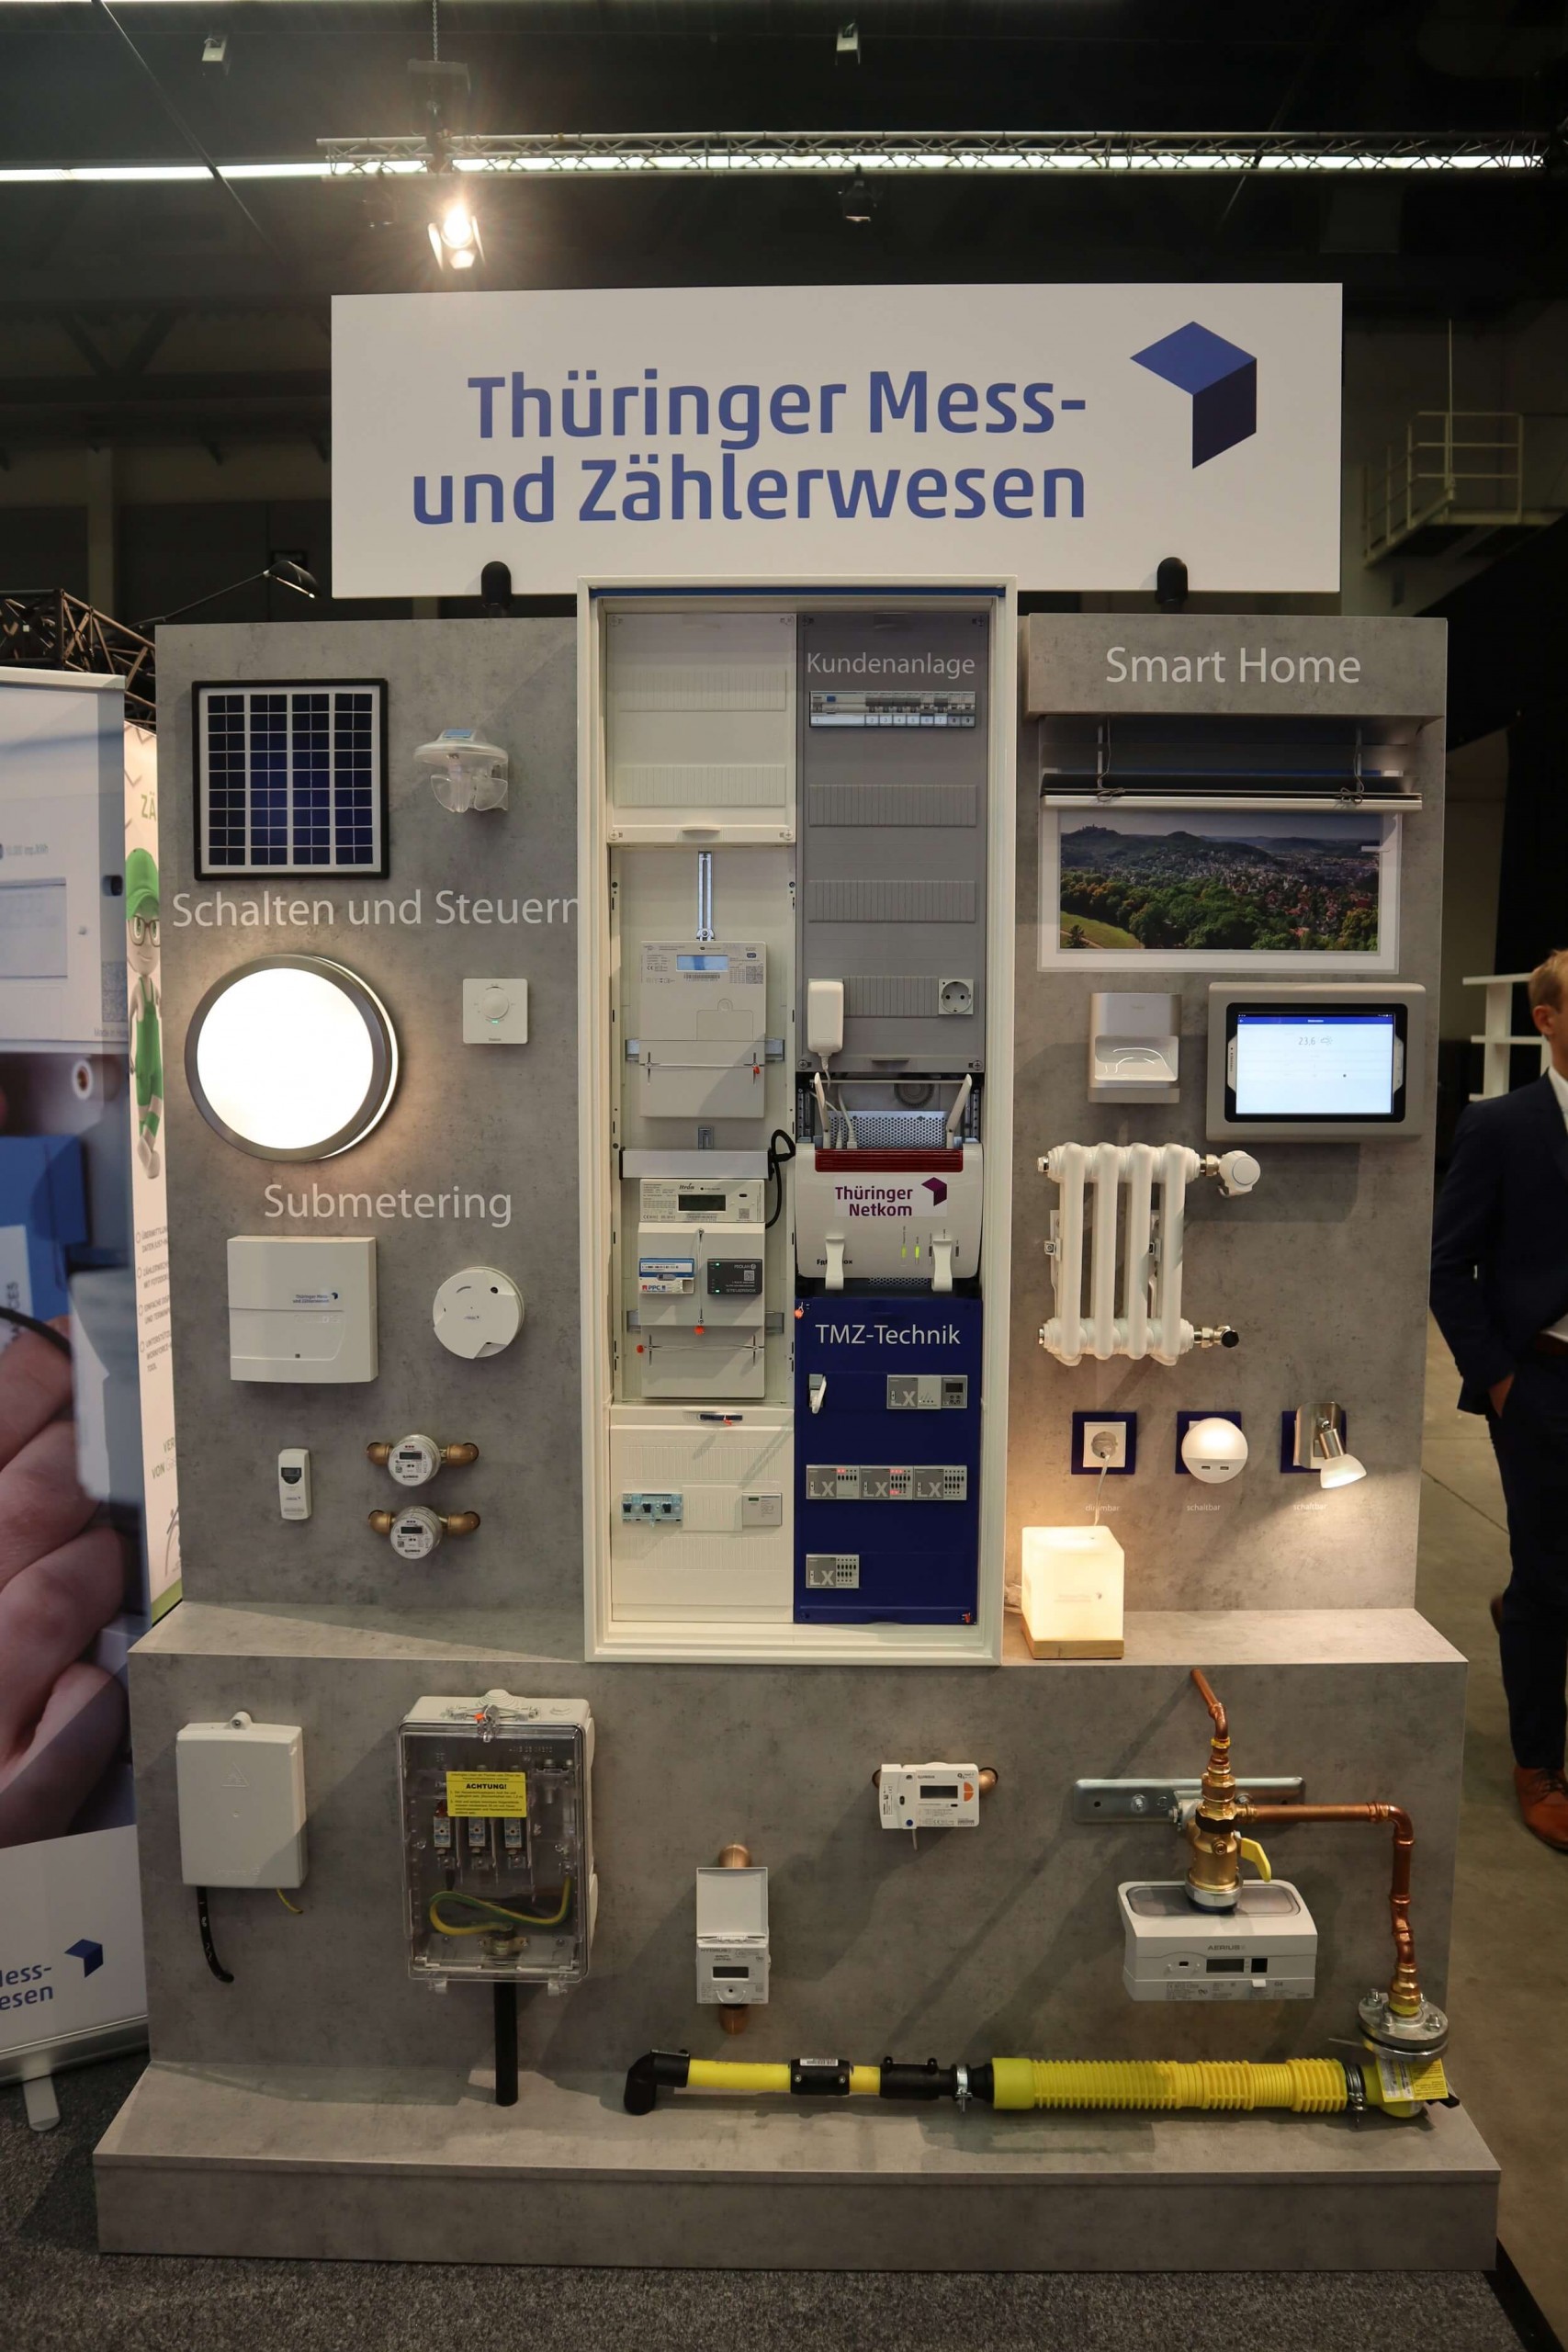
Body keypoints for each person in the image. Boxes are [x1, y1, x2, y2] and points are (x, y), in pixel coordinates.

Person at [1431, 946, 1568, 1849]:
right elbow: (1449, 1266)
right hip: (1546, 1379)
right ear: (1546, 1019)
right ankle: (1539, 1763)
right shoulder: (1501, 1126)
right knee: (1550, 1577)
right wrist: (1502, 1378)